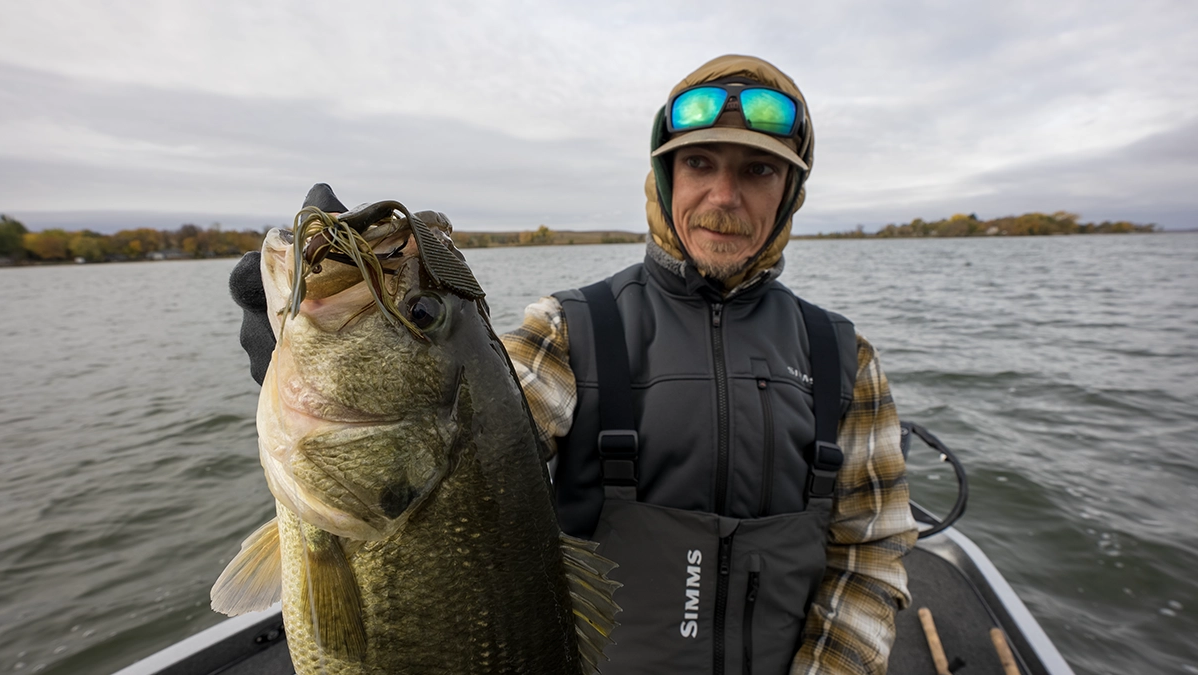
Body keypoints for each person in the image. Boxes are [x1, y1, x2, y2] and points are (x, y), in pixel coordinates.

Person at [230, 54, 916, 675]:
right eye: (700, 163)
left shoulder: (844, 358)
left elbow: (868, 554)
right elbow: (469, 440)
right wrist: (314, 365)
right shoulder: (572, 328)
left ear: (790, 193)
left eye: (757, 170)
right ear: (664, 175)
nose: (724, 195)